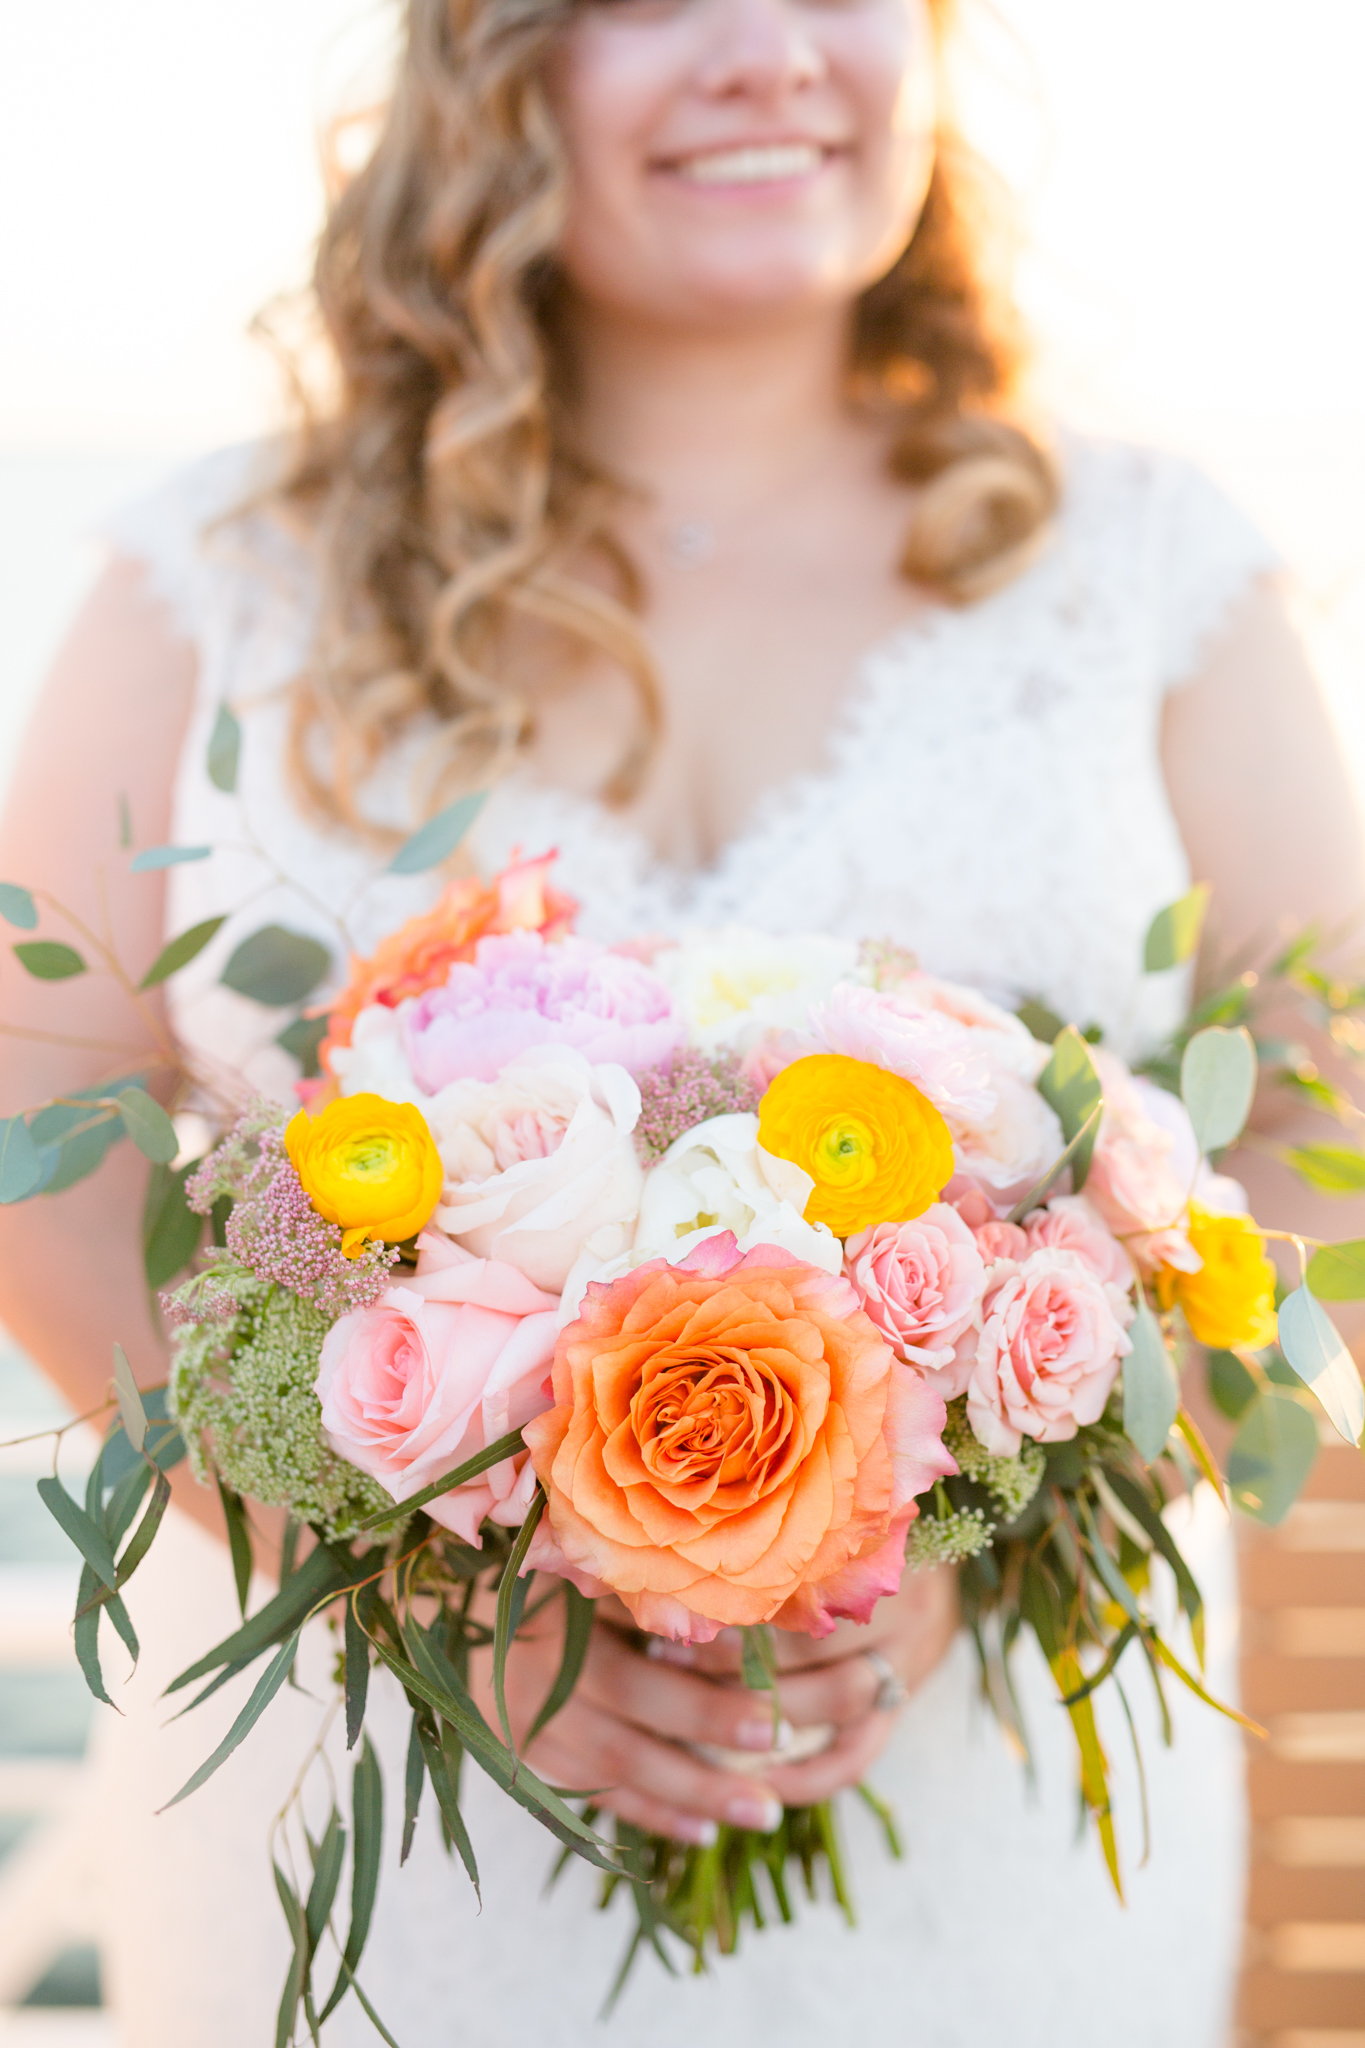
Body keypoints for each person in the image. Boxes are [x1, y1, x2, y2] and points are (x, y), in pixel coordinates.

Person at [2, 1, 1363, 2042]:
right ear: (498, 67)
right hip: (385, 1853)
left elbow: (1319, 1113)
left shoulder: (1145, 567)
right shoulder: (219, 570)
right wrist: (373, 1568)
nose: (765, 52)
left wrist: (973, 1538)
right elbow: (48, 1085)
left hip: (972, 1835)